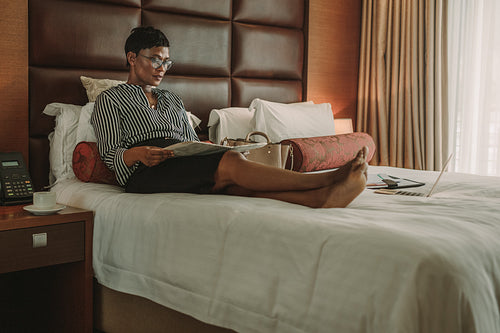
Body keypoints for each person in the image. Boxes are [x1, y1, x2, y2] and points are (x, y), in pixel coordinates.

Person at [91, 26, 368, 208]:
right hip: (144, 172)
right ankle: (324, 181)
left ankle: (320, 199)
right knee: (232, 162)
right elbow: (108, 153)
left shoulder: (173, 99)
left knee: (230, 182)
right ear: (131, 58)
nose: (162, 68)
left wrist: (206, 148)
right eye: (154, 59)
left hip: (179, 160)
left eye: (166, 62)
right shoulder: (109, 99)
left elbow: (188, 141)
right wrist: (138, 153)